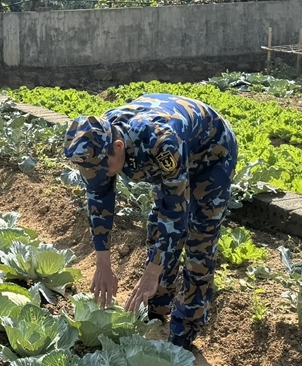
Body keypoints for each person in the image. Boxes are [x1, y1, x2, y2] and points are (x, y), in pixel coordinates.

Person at [64, 93, 237, 348]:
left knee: (199, 240)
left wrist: (151, 272)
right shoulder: (100, 139)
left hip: (211, 153)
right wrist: (103, 262)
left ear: (119, 147)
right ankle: (156, 307)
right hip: (173, 158)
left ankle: (185, 329)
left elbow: (175, 212)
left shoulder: (161, 142)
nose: (98, 175)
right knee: (158, 230)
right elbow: (99, 198)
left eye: (103, 168)